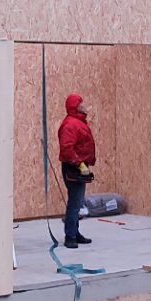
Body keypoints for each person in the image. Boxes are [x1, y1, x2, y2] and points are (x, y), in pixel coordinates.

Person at [57, 93, 96, 248]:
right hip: (73, 167)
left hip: (79, 166)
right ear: (76, 107)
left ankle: (75, 232)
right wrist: (79, 164)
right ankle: (70, 236)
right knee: (75, 203)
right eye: (81, 103)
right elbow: (66, 149)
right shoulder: (70, 124)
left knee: (77, 202)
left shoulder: (77, 122)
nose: (84, 106)